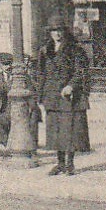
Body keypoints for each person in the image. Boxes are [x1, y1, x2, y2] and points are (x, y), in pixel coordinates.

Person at [35, 17, 90, 176]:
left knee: (69, 129)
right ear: (50, 33)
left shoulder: (75, 49)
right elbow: (40, 72)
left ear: (64, 32)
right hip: (51, 95)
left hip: (67, 96)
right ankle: (59, 163)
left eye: (60, 30)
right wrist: (41, 93)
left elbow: (81, 71)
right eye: (54, 31)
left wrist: (71, 86)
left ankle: (70, 164)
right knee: (55, 130)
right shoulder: (45, 50)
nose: (57, 34)